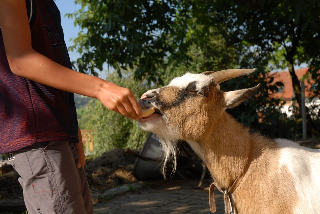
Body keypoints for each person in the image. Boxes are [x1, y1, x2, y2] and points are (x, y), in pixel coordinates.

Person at [0, 0, 142, 213]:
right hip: (39, 138)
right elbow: (20, 59)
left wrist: (72, 130)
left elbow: (54, 72)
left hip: (58, 133)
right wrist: (100, 88)